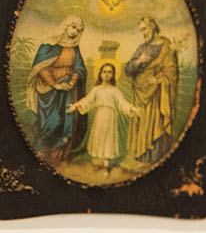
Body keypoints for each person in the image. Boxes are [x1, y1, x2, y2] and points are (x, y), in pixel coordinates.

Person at [26, 15, 87, 157]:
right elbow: (41, 67)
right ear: (66, 26)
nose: (75, 32)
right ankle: (42, 151)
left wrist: (72, 81)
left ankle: (58, 154)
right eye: (73, 27)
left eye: (78, 30)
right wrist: (55, 84)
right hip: (49, 90)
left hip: (67, 90)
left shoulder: (74, 48)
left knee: (66, 121)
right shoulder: (49, 45)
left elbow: (79, 67)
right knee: (51, 122)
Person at [122, 16, 181, 164]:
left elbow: (172, 71)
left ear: (153, 26)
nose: (144, 33)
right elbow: (128, 70)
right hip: (141, 92)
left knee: (157, 123)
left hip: (158, 94)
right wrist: (138, 62)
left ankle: (156, 158)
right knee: (142, 123)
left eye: (145, 29)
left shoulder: (166, 47)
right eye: (141, 30)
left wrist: (160, 80)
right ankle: (142, 157)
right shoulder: (142, 48)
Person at [69, 64, 138, 173]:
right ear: (100, 74)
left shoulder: (115, 90)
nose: (107, 74)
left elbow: (122, 103)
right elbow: (88, 101)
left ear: (113, 75)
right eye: (104, 72)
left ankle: (106, 165)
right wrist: (76, 106)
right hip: (100, 116)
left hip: (111, 117)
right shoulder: (96, 89)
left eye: (109, 72)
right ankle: (97, 163)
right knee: (98, 136)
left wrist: (132, 108)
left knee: (108, 138)